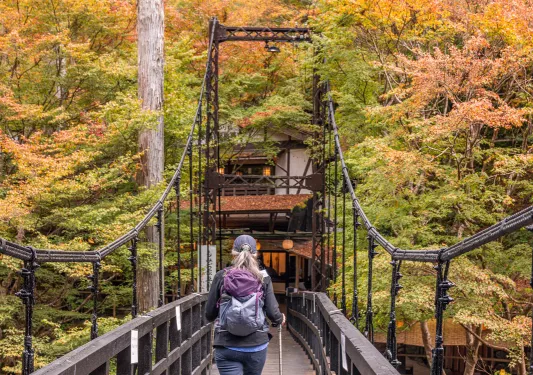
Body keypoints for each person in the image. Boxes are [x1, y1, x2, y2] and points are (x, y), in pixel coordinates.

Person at [205, 235, 285, 375]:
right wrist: (280, 319)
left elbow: (209, 314)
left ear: (233, 253)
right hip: (256, 345)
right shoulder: (263, 278)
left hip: (226, 343)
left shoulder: (221, 276)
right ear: (255, 254)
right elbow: (272, 312)